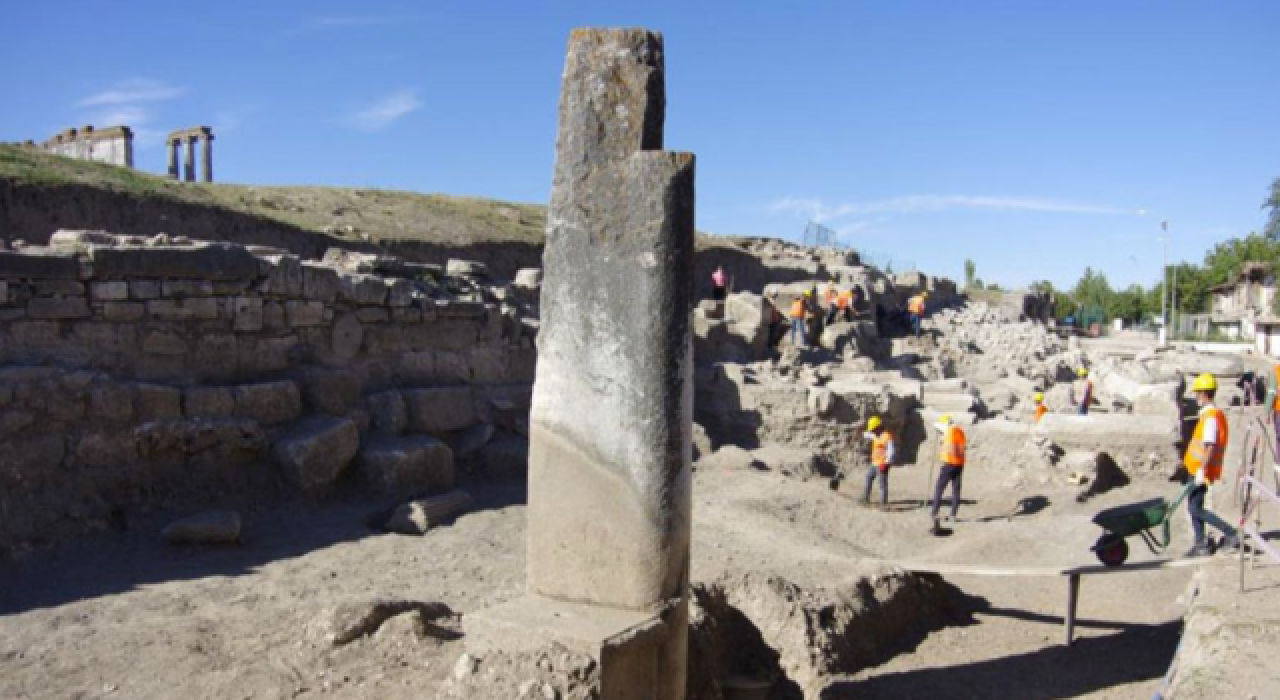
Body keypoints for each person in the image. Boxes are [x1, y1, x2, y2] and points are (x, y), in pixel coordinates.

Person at [1183, 373, 1240, 557]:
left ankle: (1230, 533)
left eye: (1197, 393)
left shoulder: (1210, 418)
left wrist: (1201, 471)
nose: (1195, 397)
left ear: (1204, 394)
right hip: (1196, 469)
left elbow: (1210, 447)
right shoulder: (1209, 415)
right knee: (1194, 506)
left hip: (1200, 470)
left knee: (1195, 508)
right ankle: (1201, 544)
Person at [930, 414, 967, 534]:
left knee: (939, 488)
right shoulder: (960, 431)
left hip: (949, 464)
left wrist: (941, 433)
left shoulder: (948, 432)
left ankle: (934, 512)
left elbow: (942, 434)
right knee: (956, 490)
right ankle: (953, 515)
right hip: (959, 464)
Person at [862, 415, 895, 506]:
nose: (872, 431)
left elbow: (891, 451)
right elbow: (866, 435)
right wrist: (860, 431)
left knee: (882, 484)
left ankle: (883, 503)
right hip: (874, 463)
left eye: (873, 429)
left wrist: (886, 463)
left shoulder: (887, 436)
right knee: (868, 477)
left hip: (882, 464)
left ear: (878, 427)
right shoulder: (874, 435)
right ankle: (865, 498)